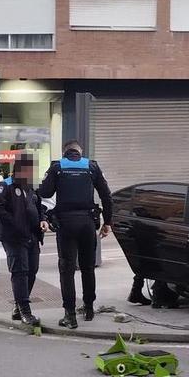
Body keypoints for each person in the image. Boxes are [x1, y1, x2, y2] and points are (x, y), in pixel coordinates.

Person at [37, 140, 113, 330]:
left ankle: (70, 315)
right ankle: (88, 309)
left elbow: (45, 191)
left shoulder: (57, 167)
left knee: (67, 269)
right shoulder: (91, 166)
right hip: (88, 223)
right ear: (80, 152)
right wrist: (108, 222)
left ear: (65, 153)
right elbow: (106, 195)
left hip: (66, 223)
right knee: (88, 267)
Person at [0, 154, 46, 327]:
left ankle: (18, 306)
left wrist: (43, 219)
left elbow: (39, 206)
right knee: (20, 272)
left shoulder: (31, 187)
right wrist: (15, 223)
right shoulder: (5, 185)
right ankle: (25, 312)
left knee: (32, 271)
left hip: (32, 236)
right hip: (13, 237)